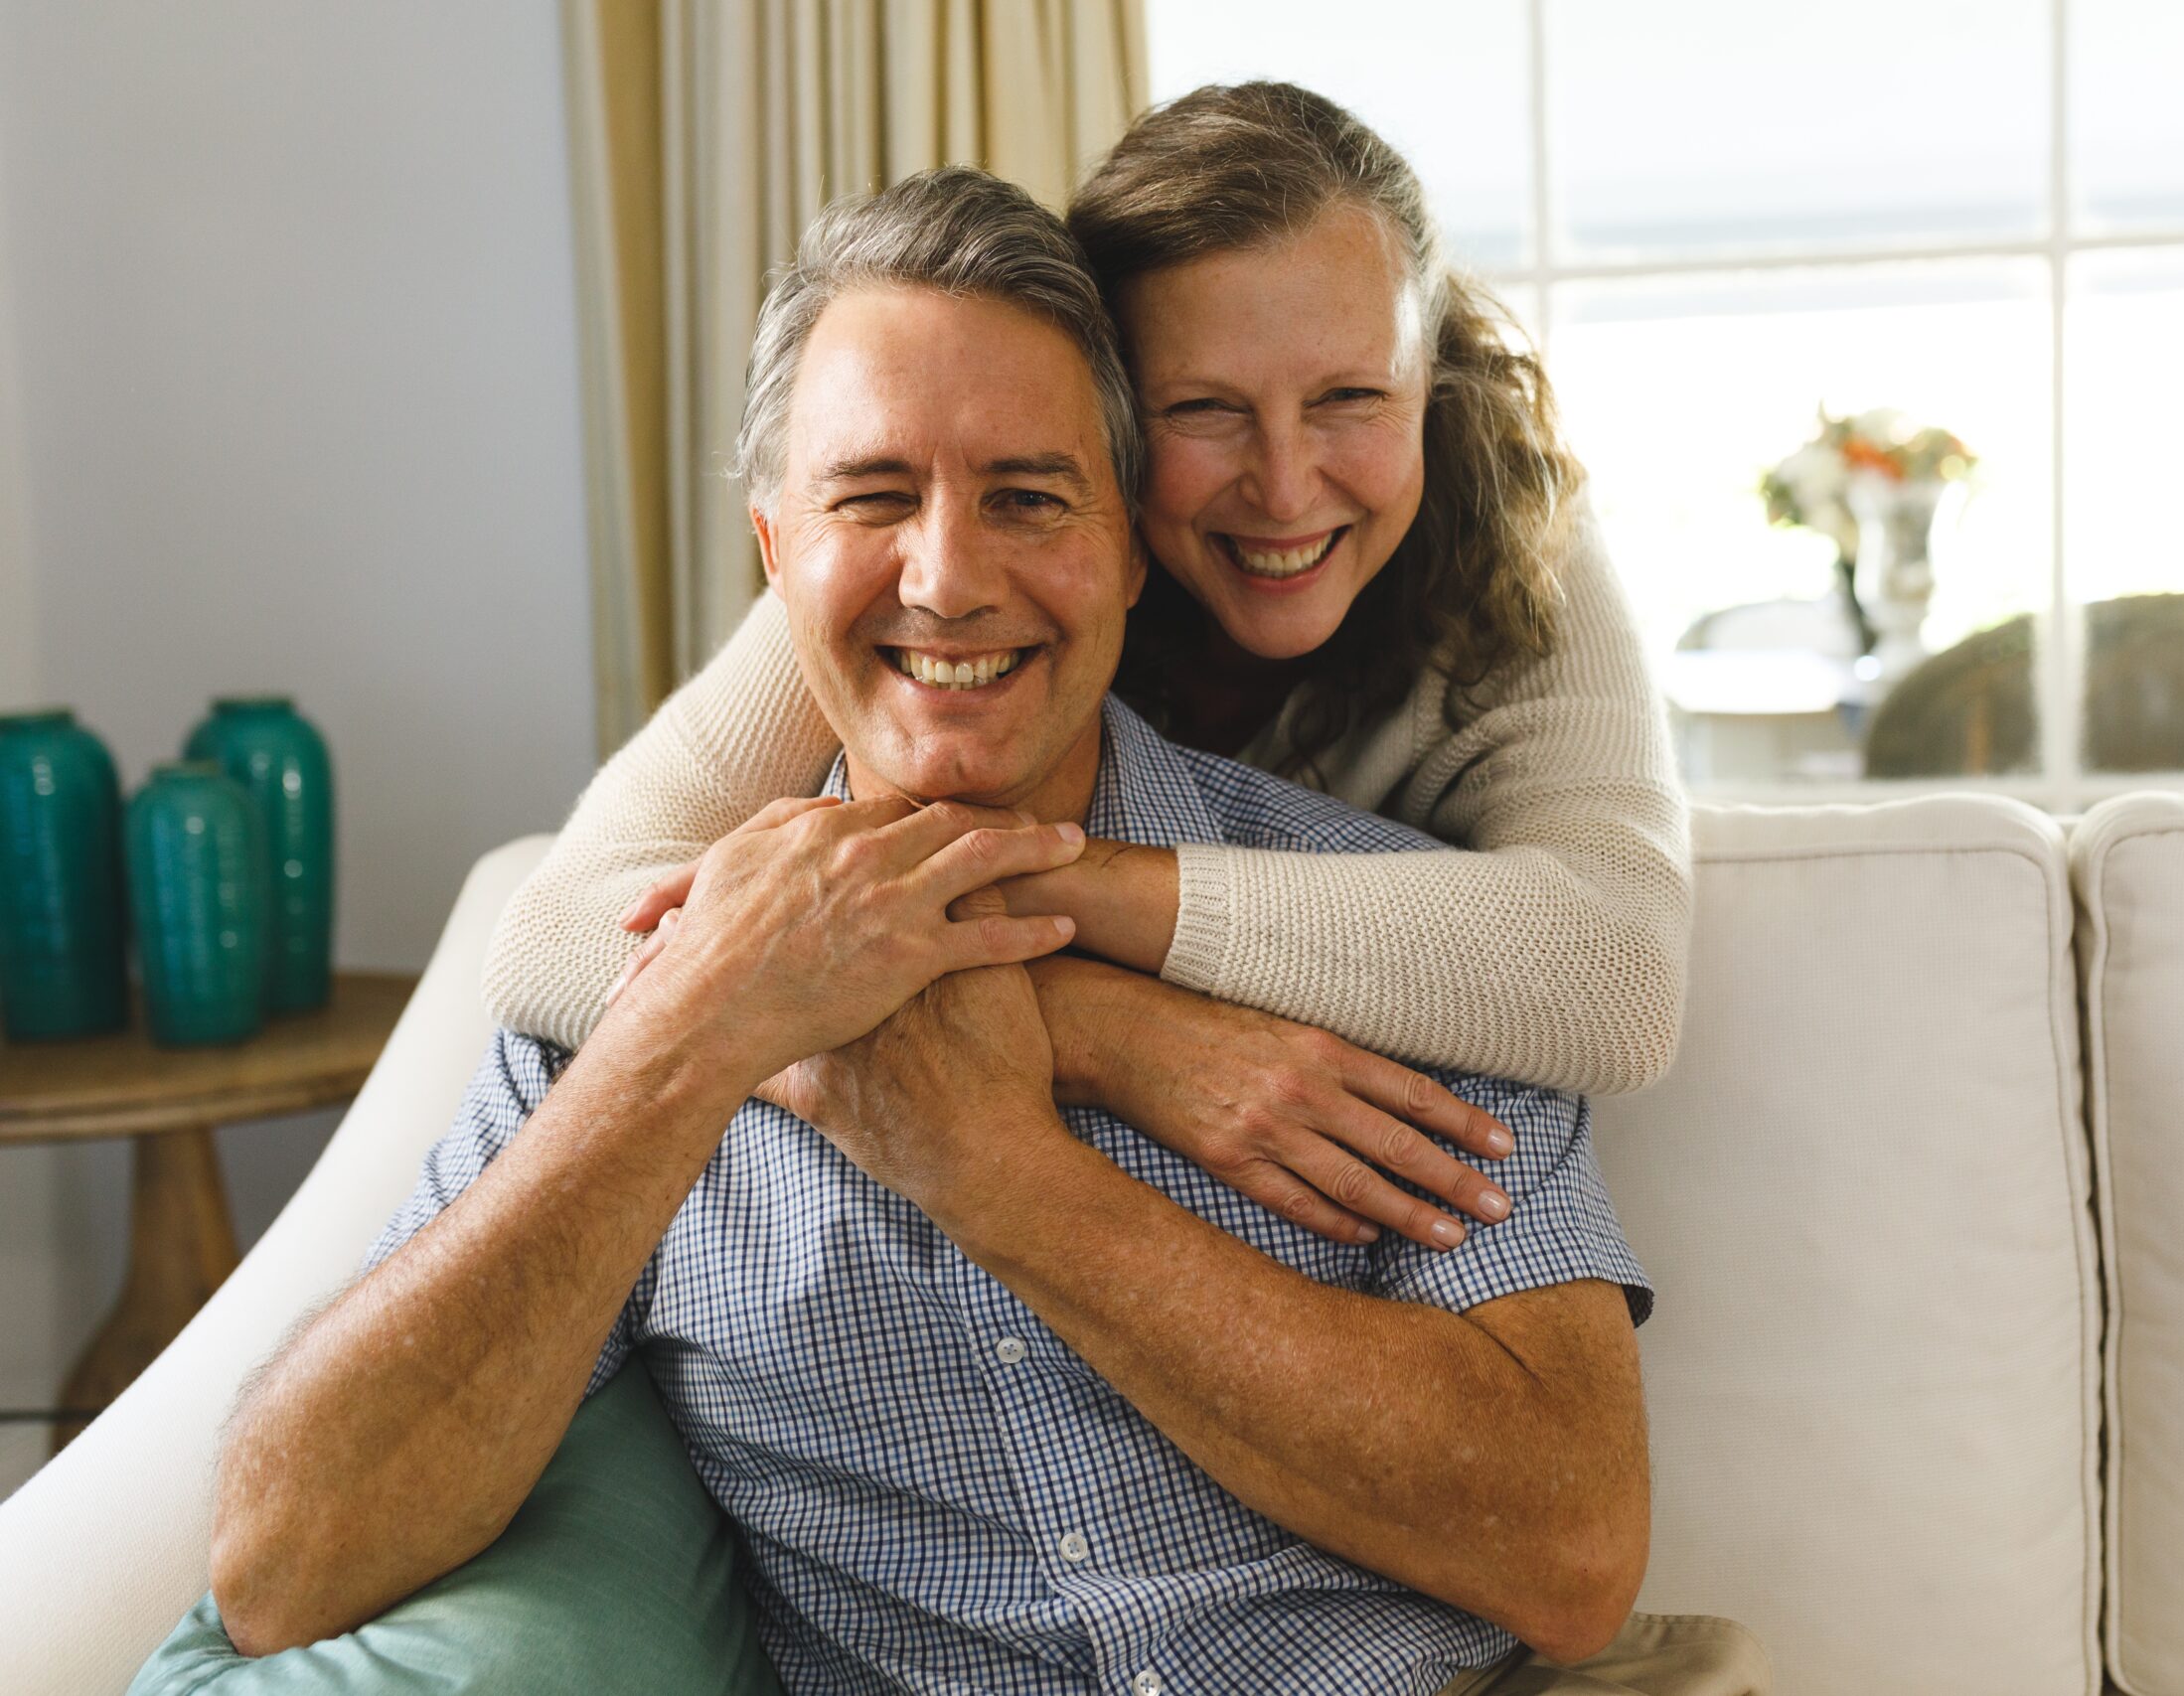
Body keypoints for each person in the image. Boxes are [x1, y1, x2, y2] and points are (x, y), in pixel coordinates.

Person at [210, 168, 1763, 1696]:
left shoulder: (1415, 946)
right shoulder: (627, 991)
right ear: (774, 546)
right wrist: (697, 1030)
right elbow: (284, 1563)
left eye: (1028, 497)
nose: (947, 580)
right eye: (874, 496)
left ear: (1131, 542)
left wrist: (998, 1163)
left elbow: (1571, 1553)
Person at [479, 81, 1693, 1256]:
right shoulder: (960, 573)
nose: (1284, 487)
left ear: (1429, 385)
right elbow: (552, 938)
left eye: (1350, 398)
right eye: (1203, 409)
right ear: (1097, 421)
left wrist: (1025, 898)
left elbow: (1622, 974)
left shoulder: (1512, 536)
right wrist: (1093, 1023)